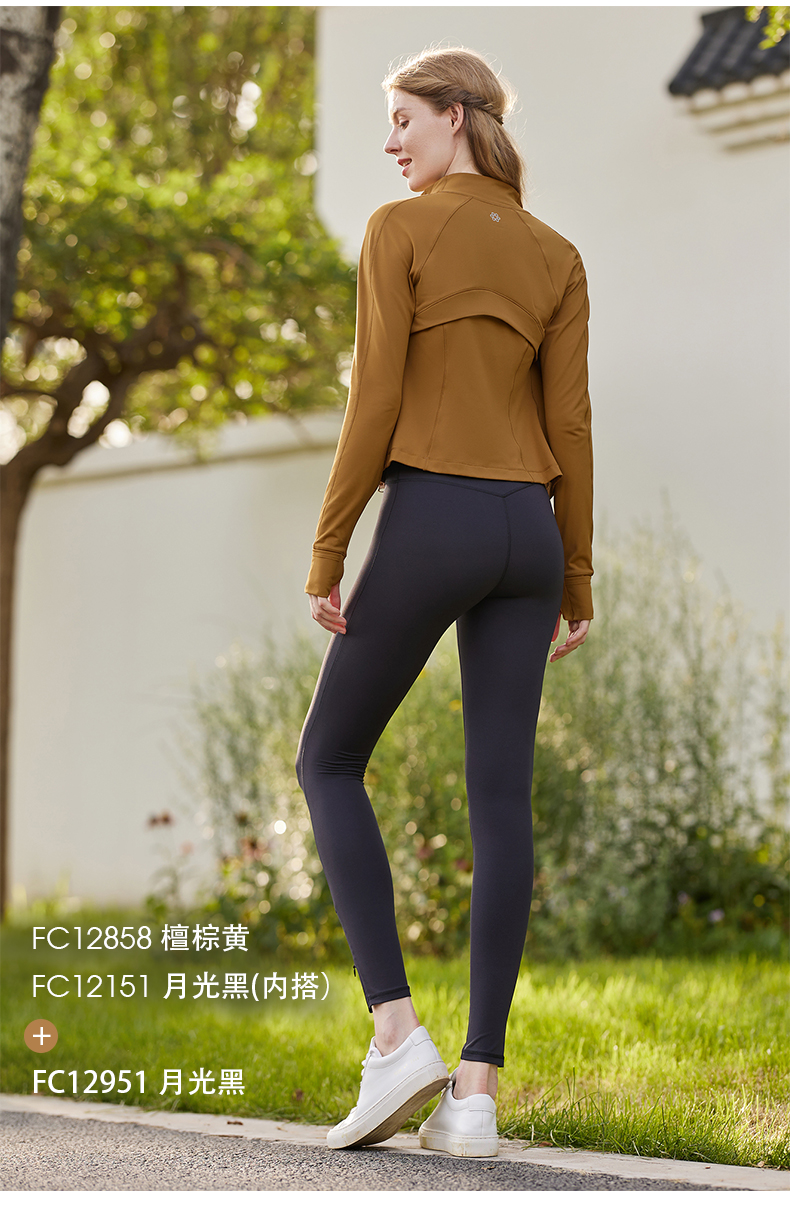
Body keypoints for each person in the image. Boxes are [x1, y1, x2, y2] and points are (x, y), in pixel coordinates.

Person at [295, 45, 593, 1157]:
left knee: (328, 759)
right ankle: (475, 1096)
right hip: (528, 532)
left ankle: (394, 1036)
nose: (391, 143)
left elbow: (373, 397)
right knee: (501, 799)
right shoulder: (557, 254)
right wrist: (577, 573)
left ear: (456, 116)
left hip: (434, 516)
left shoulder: (400, 230)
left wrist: (329, 547)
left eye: (403, 120)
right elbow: (571, 425)